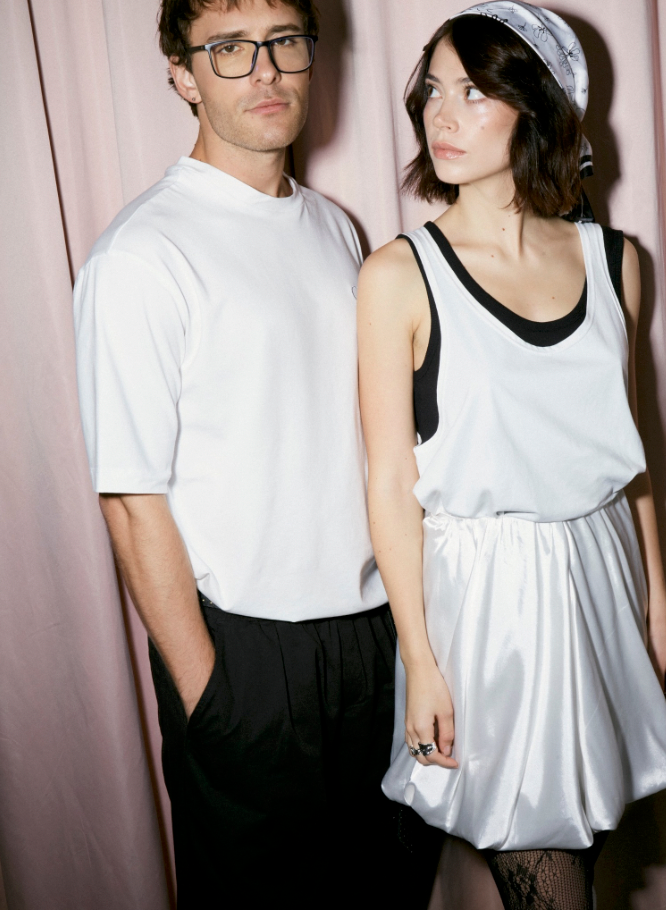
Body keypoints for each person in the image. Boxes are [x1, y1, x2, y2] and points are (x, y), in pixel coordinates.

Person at [73, 0, 441, 906]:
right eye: (230, 49)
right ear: (181, 74)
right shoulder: (141, 254)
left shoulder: (337, 230)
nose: (266, 70)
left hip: (373, 640)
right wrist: (209, 693)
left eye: (283, 41)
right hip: (245, 654)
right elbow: (131, 500)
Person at [357, 2, 666, 908]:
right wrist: (421, 658)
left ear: (536, 107)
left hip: (601, 577)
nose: (442, 115)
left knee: (594, 846)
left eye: (473, 92)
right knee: (547, 871)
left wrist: (659, 609)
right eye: (433, 92)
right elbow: (389, 483)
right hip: (490, 609)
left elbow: (630, 453)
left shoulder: (617, 262)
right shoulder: (398, 275)